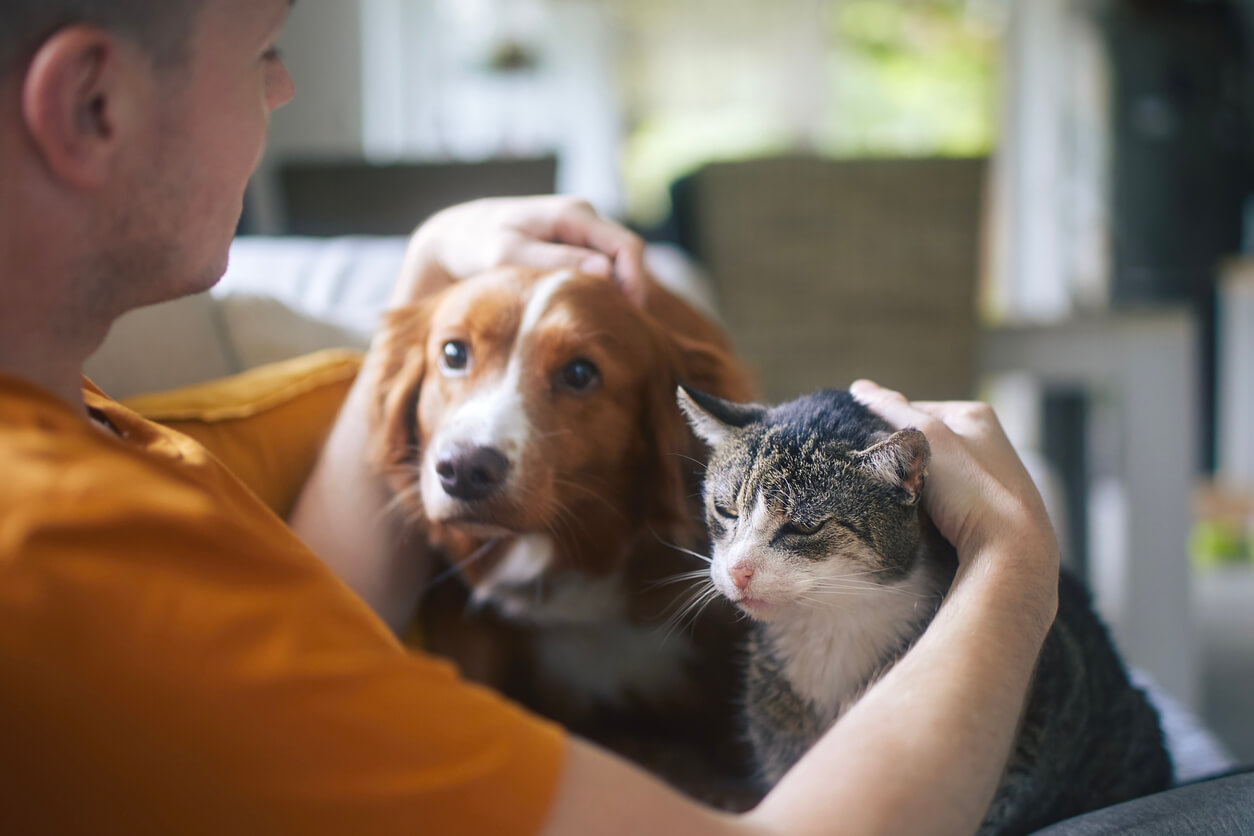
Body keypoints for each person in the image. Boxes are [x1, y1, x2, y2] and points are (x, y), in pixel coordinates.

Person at [5, 1, 1188, 833]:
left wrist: (430, 285)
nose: (285, 85)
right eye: (263, 45)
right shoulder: (64, 561)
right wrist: (1015, 565)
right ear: (93, 102)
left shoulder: (74, 417)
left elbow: (319, 608)